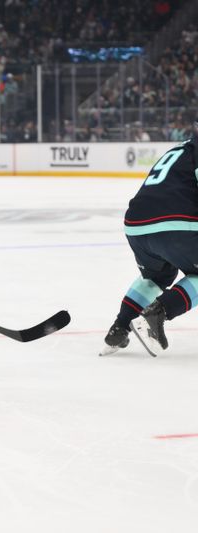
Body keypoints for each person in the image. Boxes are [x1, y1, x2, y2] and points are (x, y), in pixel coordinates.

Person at [101, 117, 198, 357]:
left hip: (136, 226)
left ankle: (119, 328)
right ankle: (159, 312)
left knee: (156, 276)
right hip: (174, 224)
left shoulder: (181, 148)